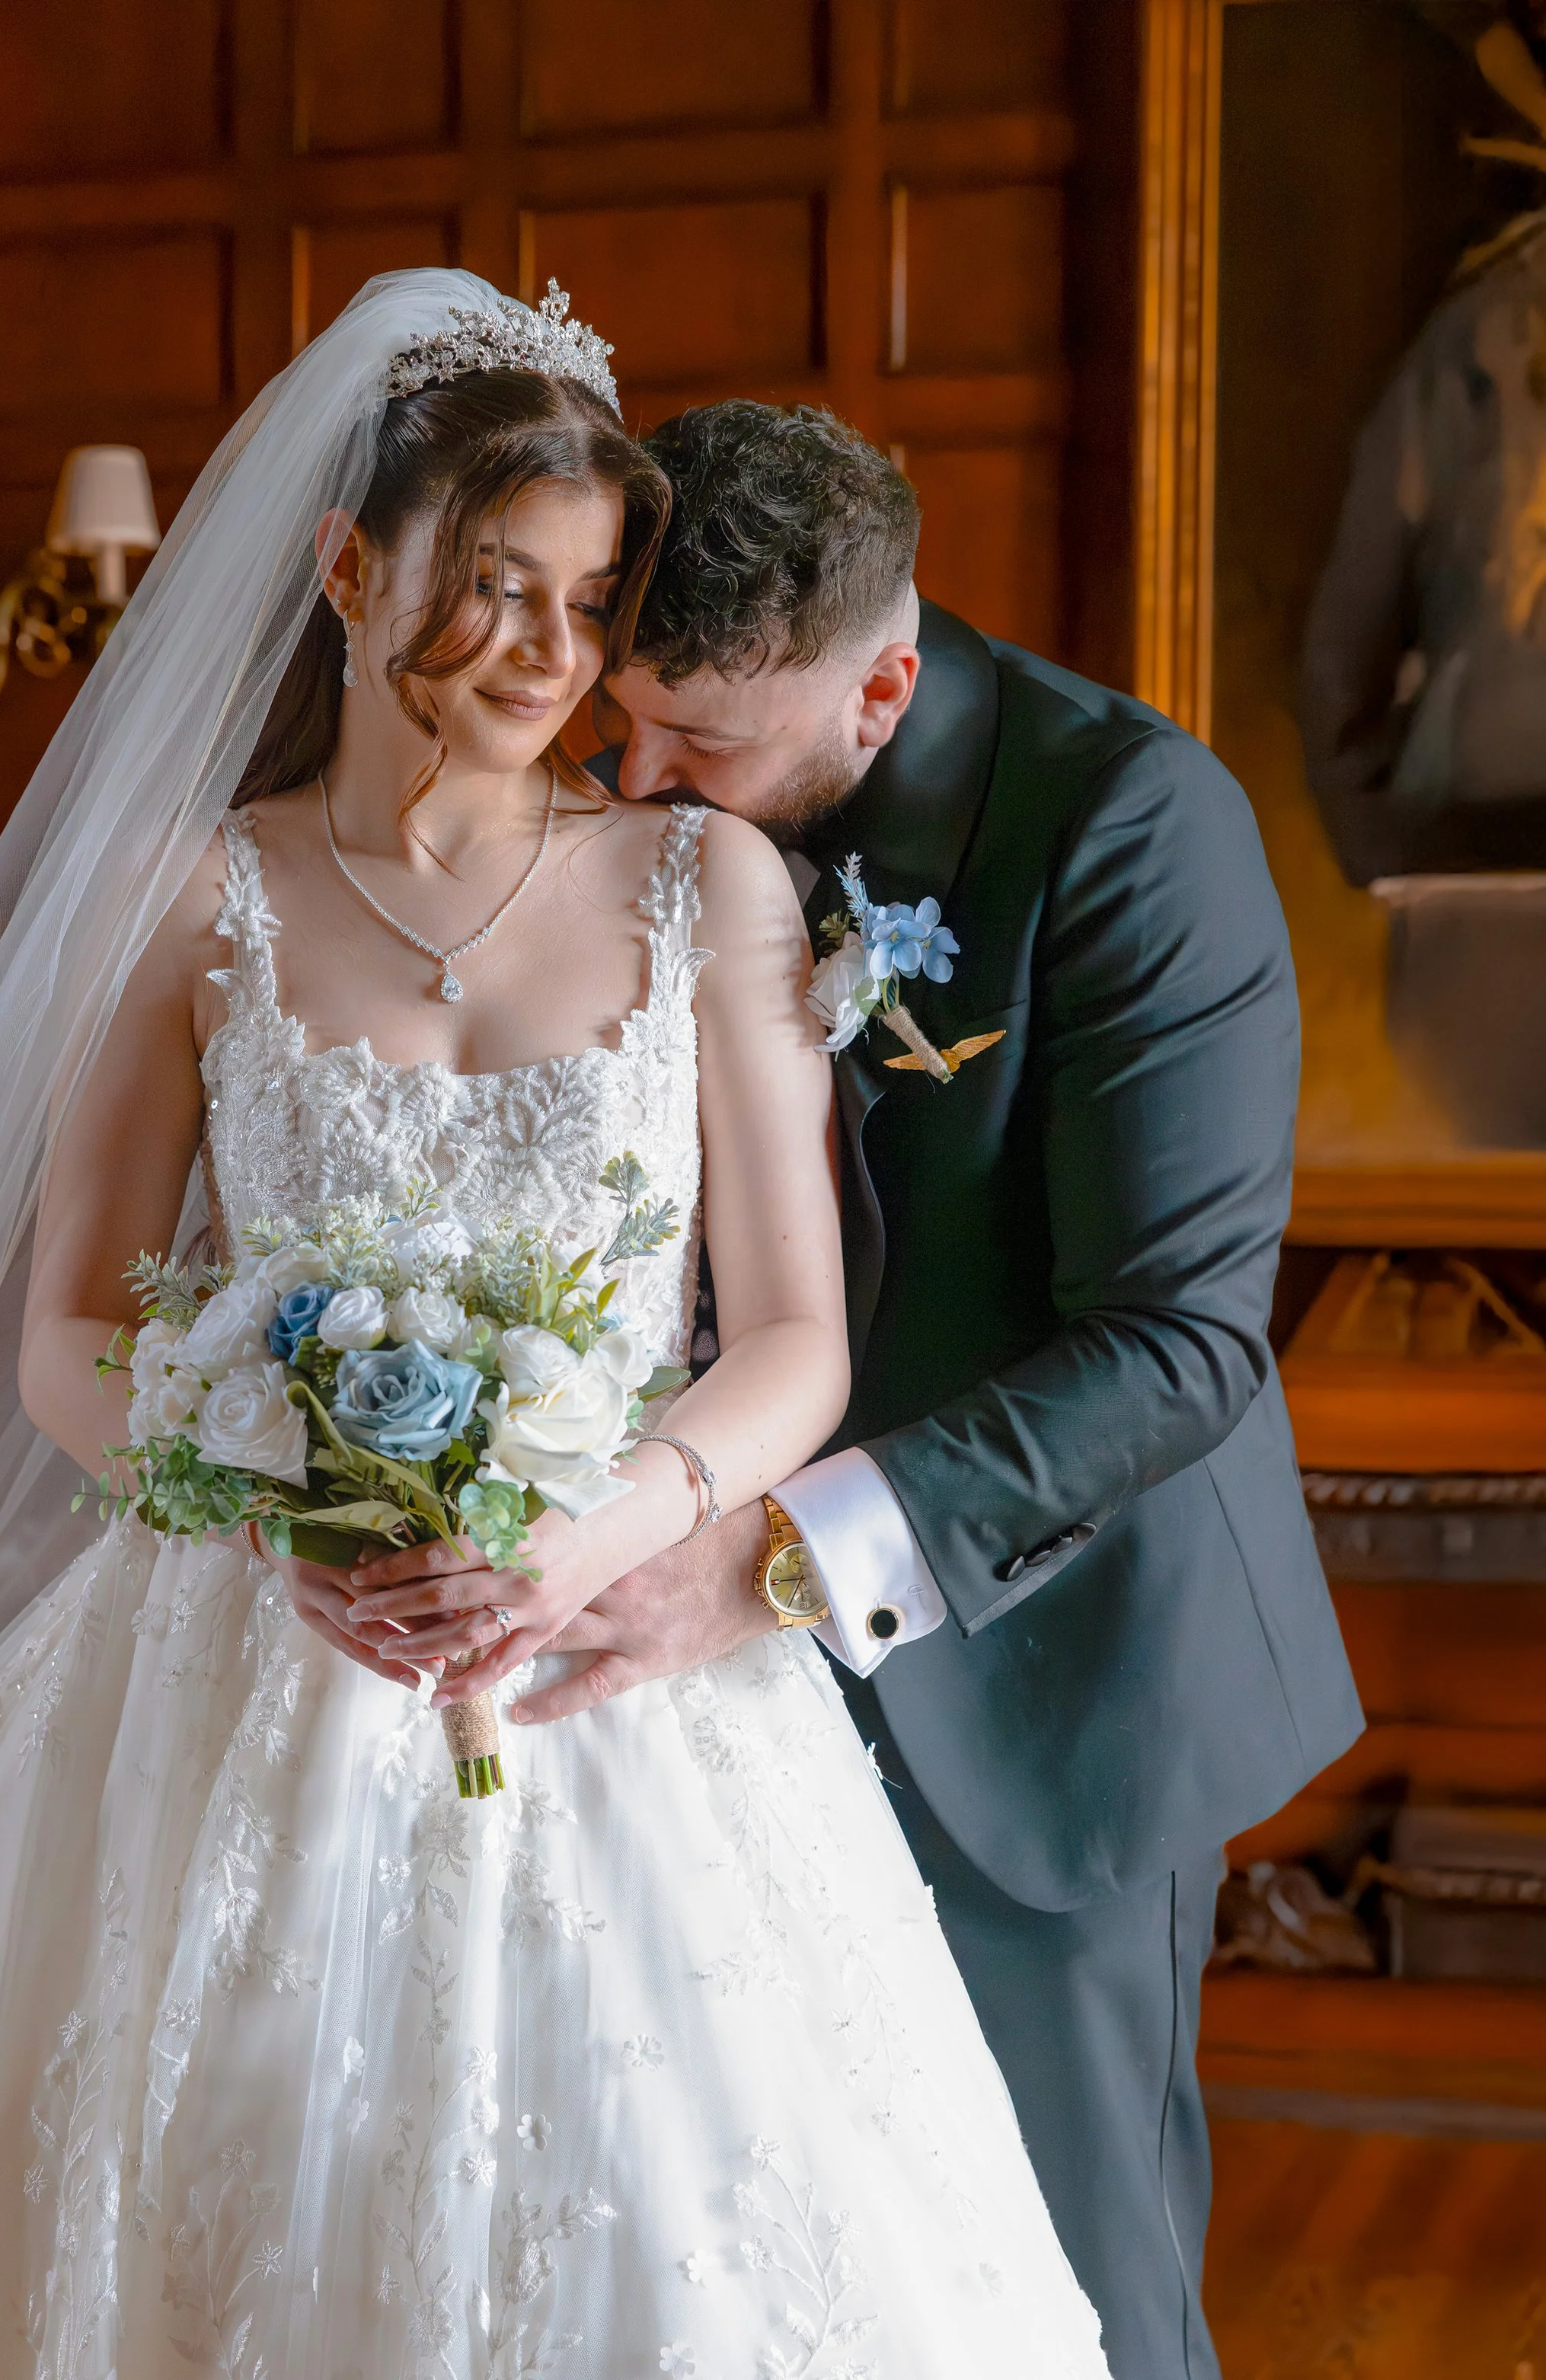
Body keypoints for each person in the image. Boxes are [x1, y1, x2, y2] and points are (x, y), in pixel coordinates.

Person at [0, 278, 1109, 2375]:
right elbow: (70, 1321)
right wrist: (262, 1504)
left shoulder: (706, 886)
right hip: (234, 1636)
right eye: (493, 589)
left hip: (598, 1648)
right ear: (347, 566)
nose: (544, 656)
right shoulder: (187, 895)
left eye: (588, 608)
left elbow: (793, 1339)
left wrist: (587, 1537)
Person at [421, 400, 1366, 2380]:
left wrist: (768, 1559)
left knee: (1054, 2284)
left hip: (1035, 1666)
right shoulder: (630, 827)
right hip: (672, 1693)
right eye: (629, 711)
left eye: (704, 744)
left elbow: (1176, 1341)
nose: (638, 774)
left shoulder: (1123, 822)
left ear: (883, 680)